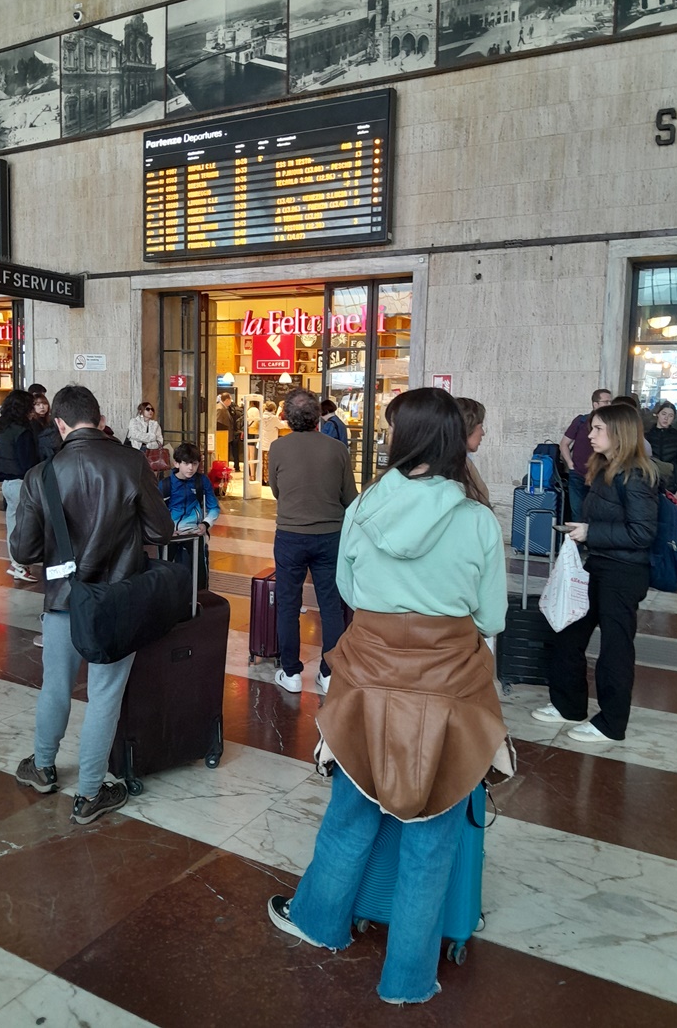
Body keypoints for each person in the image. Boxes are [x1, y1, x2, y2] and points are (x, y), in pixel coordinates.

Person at [267, 387, 512, 1005]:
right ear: (456, 440)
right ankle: (406, 979)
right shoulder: (478, 520)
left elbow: (348, 588)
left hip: (367, 682)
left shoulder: (367, 505)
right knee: (433, 835)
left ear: (401, 441)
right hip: (450, 690)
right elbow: (492, 616)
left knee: (349, 815)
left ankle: (321, 923)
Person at [11, 384, 174, 824]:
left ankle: (42, 768)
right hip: (116, 601)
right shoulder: (130, 462)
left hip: (63, 601)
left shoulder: (40, 475)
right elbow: (161, 531)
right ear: (99, 419)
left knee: (55, 686)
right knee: (104, 695)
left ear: (60, 424)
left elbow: (23, 550)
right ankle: (88, 794)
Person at [532, 402, 658, 742]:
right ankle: (568, 705)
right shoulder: (604, 468)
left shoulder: (635, 475)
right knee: (568, 633)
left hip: (624, 573)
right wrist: (585, 529)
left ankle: (611, 723)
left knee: (615, 649)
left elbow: (643, 533)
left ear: (619, 434)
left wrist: (591, 533)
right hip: (599, 565)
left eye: (598, 429)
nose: (590, 435)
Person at [268, 388, 357, 694]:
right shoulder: (337, 449)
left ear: (288, 417)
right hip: (330, 536)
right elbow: (350, 498)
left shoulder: (278, 447)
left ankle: (291, 672)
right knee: (331, 606)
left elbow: (276, 491)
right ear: (319, 415)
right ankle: (328, 673)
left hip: (290, 535)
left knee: (288, 604)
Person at [158, 441, 220, 588]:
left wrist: (205, 524)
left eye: (195, 463)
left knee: (200, 574)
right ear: (176, 463)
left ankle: (200, 600)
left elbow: (214, 508)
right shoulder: (165, 485)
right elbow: (155, 512)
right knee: (165, 573)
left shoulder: (201, 481)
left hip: (194, 533)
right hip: (170, 534)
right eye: (186, 463)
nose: (191, 468)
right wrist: (166, 529)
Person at [0, 389, 39, 582]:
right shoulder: (23, 431)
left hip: (7, 483)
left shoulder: (4, 427)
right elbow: (28, 461)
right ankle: (21, 564)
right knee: (29, 526)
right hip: (22, 483)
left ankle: (16, 564)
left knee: (13, 524)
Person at [561, 388, 612, 520]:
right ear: (595, 404)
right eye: (605, 402)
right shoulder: (581, 421)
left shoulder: (612, 425)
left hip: (600, 476)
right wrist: (570, 464)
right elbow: (564, 444)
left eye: (610, 402)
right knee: (578, 514)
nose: (609, 405)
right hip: (578, 474)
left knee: (596, 516)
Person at [647, 401, 677, 501]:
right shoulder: (647, 436)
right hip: (650, 483)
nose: (666, 418)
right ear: (657, 414)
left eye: (670, 416)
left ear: (673, 418)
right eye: (664, 414)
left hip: (671, 487)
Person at [455, 396, 490, 507]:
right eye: (480, 427)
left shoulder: (463, 460)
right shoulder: (455, 465)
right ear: (468, 427)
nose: (483, 433)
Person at [260, 400, 287, 484]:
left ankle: (261, 479)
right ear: (274, 409)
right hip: (270, 443)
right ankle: (267, 480)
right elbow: (281, 426)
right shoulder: (273, 418)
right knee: (269, 463)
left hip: (262, 443)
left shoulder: (261, 416)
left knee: (262, 462)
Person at [30, 393, 62, 461]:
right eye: (38, 405)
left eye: (44, 404)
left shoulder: (51, 421)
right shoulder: (32, 423)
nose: (42, 407)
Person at [245, 399, 261, 481]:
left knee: (248, 455)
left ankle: (248, 474)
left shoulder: (248, 409)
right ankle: (252, 475)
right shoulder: (256, 410)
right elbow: (258, 422)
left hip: (248, 431)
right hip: (254, 432)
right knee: (252, 455)